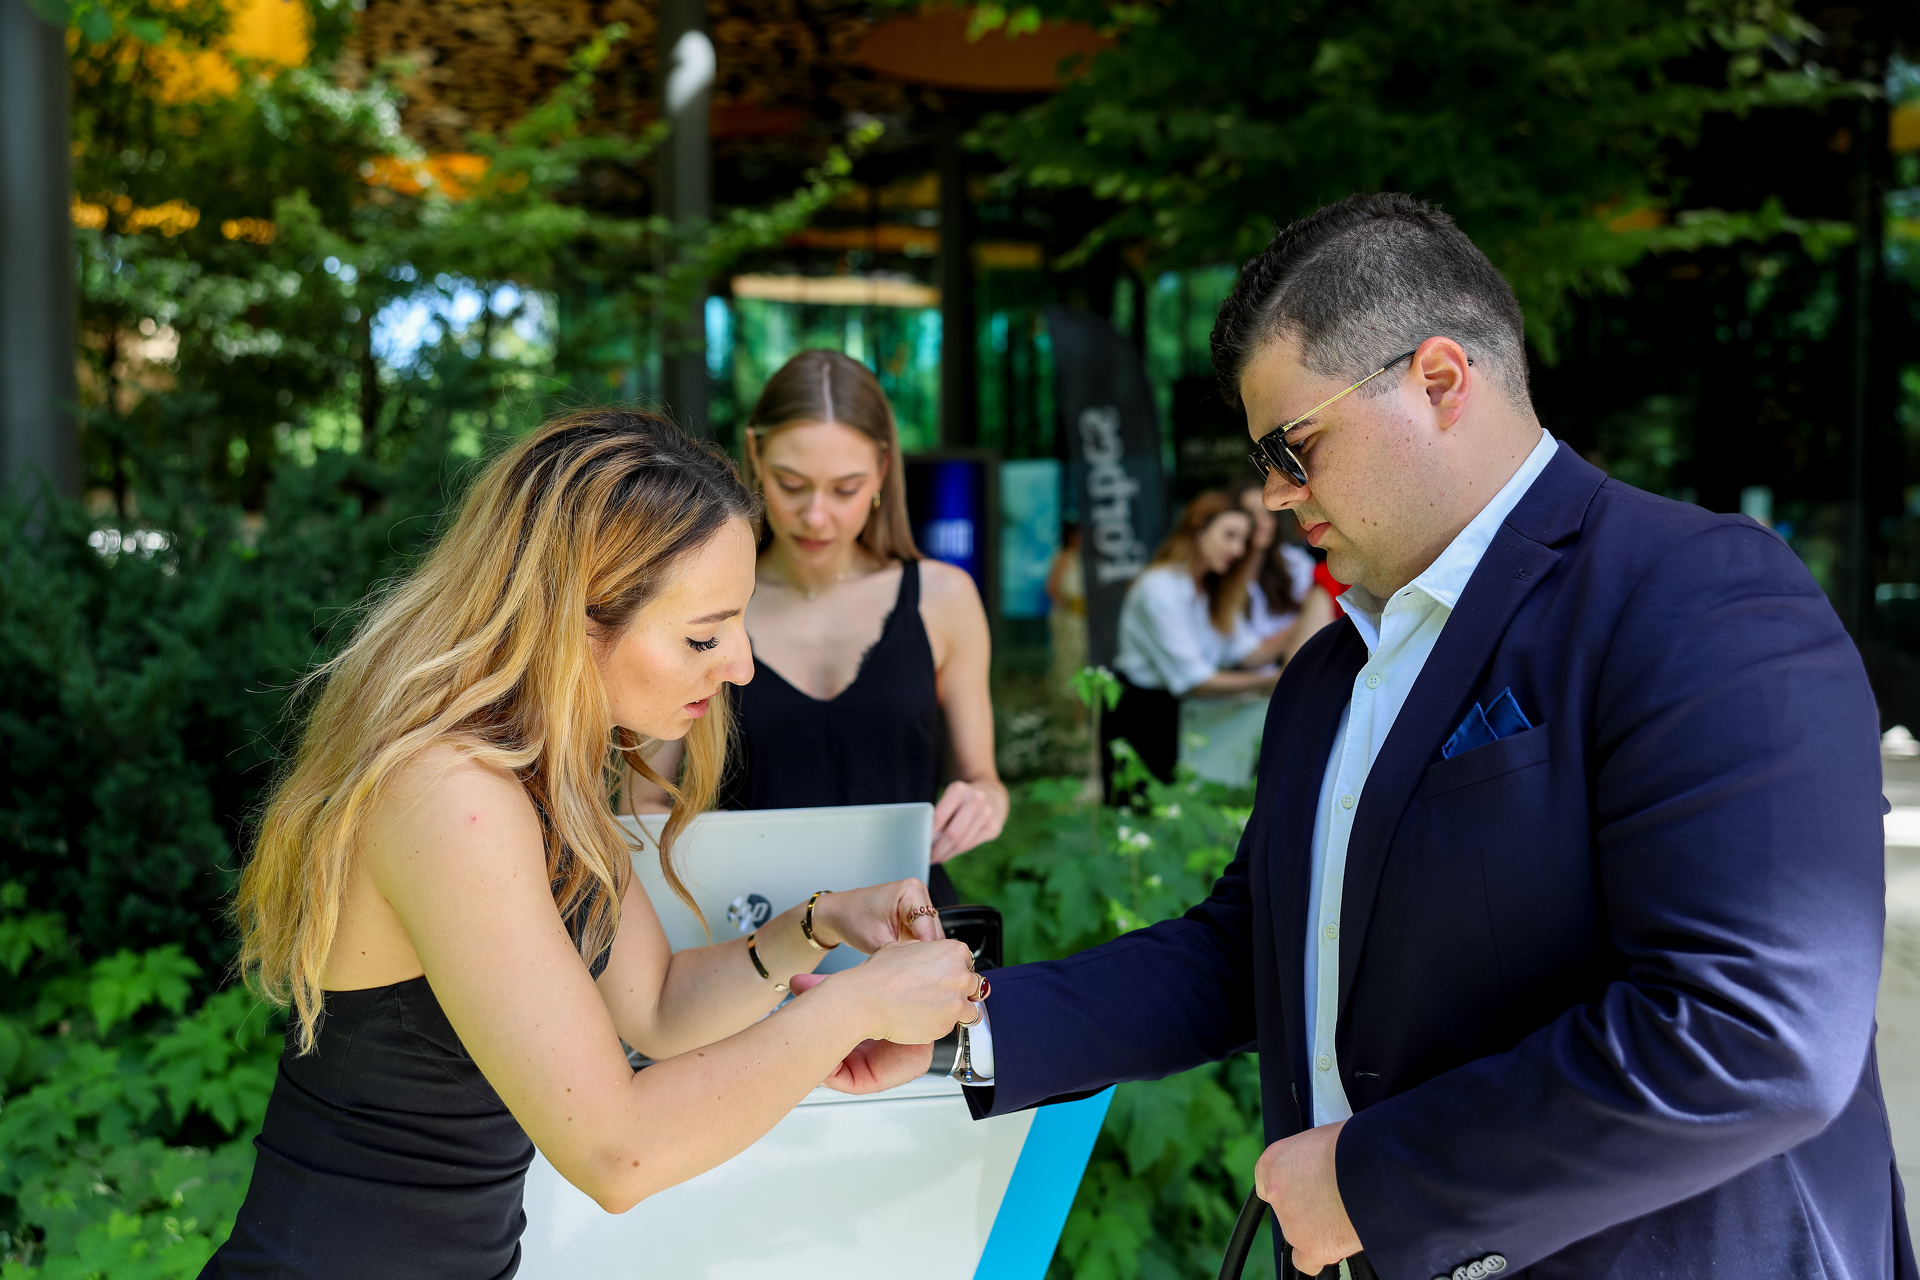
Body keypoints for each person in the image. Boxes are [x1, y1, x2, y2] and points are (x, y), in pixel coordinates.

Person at [821, 193, 1912, 1280]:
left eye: (1293, 447)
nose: (1273, 493)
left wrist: (1373, 1182)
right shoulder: (1328, 671)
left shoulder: (1697, 591)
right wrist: (966, 1027)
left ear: (1439, 380)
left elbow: (1755, 1031)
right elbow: (1245, 950)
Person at [205, 411, 982, 1280]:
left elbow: (658, 1007)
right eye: (704, 635)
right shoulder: (451, 796)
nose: (741, 666)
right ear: (571, 622)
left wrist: (820, 923)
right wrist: (858, 1006)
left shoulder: (544, 774)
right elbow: (619, 1151)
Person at [630, 350, 1007, 906]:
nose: (815, 515)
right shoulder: (700, 602)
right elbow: (641, 801)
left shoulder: (944, 599)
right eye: (792, 483)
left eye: (845, 489)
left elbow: (983, 780)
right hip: (751, 928)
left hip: (910, 923)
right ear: (755, 454)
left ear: (882, 470)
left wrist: (982, 803)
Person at [1105, 490, 1290, 787]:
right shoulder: (1159, 588)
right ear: (1199, 527)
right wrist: (1276, 680)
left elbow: (1250, 653)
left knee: (1186, 804)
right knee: (1144, 809)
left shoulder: (1212, 590)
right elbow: (1196, 681)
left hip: (1186, 713)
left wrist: (1314, 613)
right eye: (1229, 535)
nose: (1238, 550)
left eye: (1243, 540)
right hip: (1143, 715)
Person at [1236, 481, 1338, 660]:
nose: (1260, 522)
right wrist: (1305, 623)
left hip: (1300, 659)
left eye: (1266, 513)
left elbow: (1320, 615)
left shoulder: (1294, 563)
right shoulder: (1223, 573)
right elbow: (1243, 655)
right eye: (1250, 514)